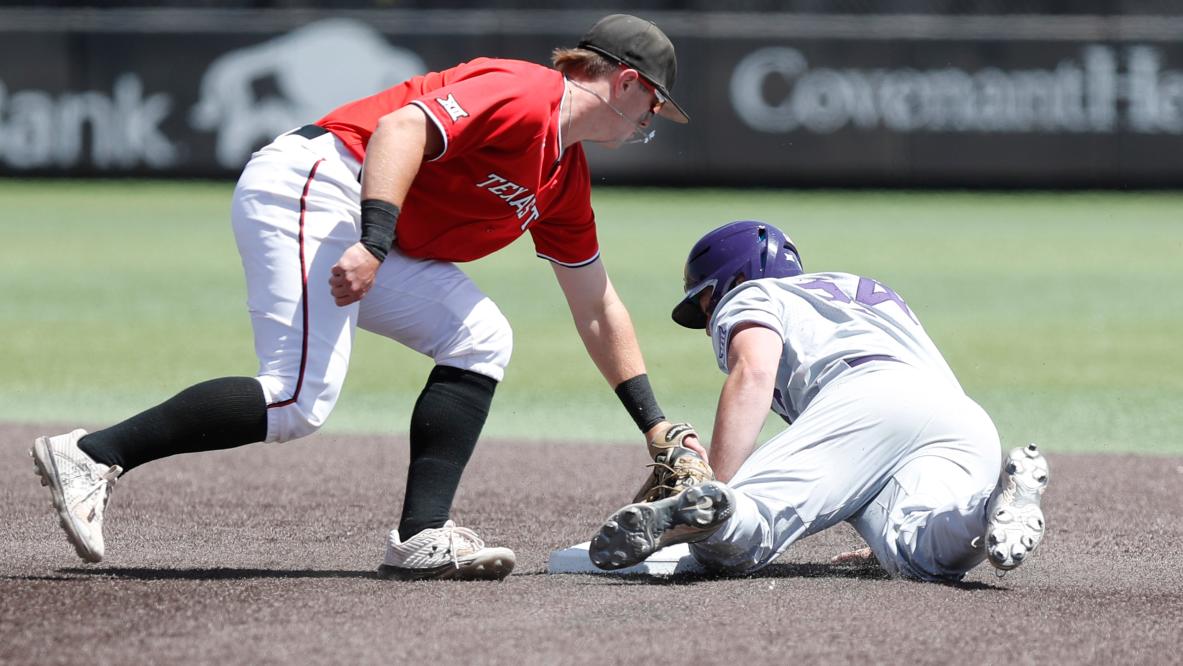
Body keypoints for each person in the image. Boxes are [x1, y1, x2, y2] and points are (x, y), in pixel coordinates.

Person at [30, 13, 704, 581]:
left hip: (367, 228)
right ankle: (91, 455)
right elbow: (399, 130)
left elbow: (595, 305)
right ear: (625, 81)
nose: (651, 118)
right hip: (319, 183)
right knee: (295, 399)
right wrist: (374, 243)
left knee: (481, 337)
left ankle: (420, 536)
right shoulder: (524, 91)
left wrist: (653, 423)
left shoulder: (563, 180)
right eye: (653, 103)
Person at [588, 220, 1050, 582]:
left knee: (735, 539)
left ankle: (713, 513)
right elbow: (899, 422)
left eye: (706, 300)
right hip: (961, 420)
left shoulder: (753, 293)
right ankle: (987, 509)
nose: (708, 319)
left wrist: (719, 481)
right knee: (921, 554)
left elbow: (754, 370)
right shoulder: (865, 293)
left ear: (740, 274)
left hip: (865, 399)